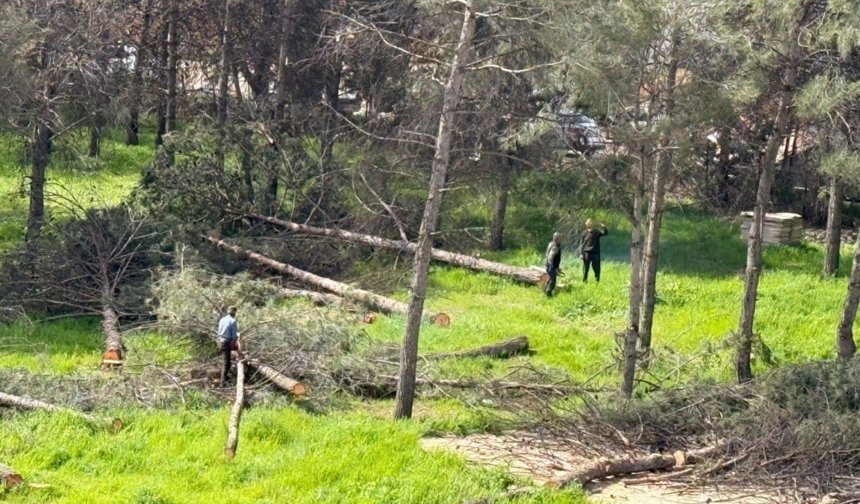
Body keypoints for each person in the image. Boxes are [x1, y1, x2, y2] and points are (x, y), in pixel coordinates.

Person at [579, 219, 607, 283]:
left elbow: (604, 233)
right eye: (589, 223)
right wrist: (581, 253)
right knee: (585, 268)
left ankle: (597, 281)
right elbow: (581, 244)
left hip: (596, 253)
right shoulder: (584, 233)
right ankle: (584, 281)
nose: (591, 224)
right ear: (587, 224)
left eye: (591, 223)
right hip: (587, 253)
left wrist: (604, 227)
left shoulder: (596, 232)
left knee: (597, 268)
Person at [217, 306, 239, 386]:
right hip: (226, 342)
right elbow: (234, 336)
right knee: (226, 363)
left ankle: (226, 379)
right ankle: (222, 383)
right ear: (234, 313)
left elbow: (219, 331)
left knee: (227, 361)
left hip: (220, 341)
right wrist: (236, 344)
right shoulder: (233, 321)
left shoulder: (222, 319)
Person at [544, 232, 562, 297]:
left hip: (548, 265)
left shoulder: (550, 243)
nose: (561, 239)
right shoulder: (555, 247)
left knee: (550, 278)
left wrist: (557, 267)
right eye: (560, 238)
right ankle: (548, 294)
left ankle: (545, 291)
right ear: (557, 238)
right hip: (551, 266)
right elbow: (550, 257)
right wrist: (553, 267)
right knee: (553, 281)